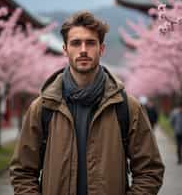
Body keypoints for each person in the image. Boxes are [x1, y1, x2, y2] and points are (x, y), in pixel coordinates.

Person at [10, 11, 164, 195]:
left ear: (101, 49)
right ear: (65, 49)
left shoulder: (127, 108)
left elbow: (150, 171)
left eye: (90, 42)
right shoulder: (43, 107)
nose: (83, 49)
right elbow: (22, 172)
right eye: (76, 43)